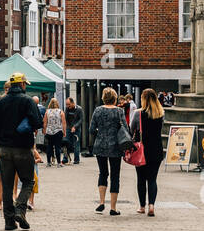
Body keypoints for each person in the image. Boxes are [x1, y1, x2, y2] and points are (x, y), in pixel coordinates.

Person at [0, 73, 43, 230]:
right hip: (23, 148)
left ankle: (9, 222)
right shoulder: (27, 101)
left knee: (6, 185)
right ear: (22, 85)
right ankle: (20, 208)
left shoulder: (1, 102)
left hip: (5, 149)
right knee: (28, 181)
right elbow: (37, 122)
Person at [89, 88, 127, 216]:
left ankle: (101, 202)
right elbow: (125, 129)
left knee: (103, 173)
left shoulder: (98, 110)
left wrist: (100, 133)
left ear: (103, 98)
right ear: (115, 98)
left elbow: (91, 129)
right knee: (115, 175)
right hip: (116, 146)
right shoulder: (119, 111)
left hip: (100, 145)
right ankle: (113, 207)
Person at [131, 88, 165, 216]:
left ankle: (142, 206)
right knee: (152, 179)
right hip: (156, 150)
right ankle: (152, 206)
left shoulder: (138, 113)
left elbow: (132, 129)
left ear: (143, 99)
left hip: (142, 151)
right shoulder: (161, 113)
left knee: (141, 179)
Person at [43, 98, 65, 167]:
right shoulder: (60, 112)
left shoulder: (47, 112)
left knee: (49, 147)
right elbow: (64, 123)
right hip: (58, 131)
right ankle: (59, 163)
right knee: (57, 147)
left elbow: (45, 123)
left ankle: (49, 162)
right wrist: (64, 131)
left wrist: (44, 131)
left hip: (49, 132)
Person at [64, 97, 83, 164]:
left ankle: (76, 159)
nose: (67, 106)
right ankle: (65, 158)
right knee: (66, 144)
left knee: (76, 144)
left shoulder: (79, 109)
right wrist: (66, 127)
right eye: (66, 104)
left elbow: (81, 120)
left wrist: (75, 126)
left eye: (68, 104)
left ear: (73, 103)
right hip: (68, 129)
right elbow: (65, 118)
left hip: (77, 129)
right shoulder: (67, 109)